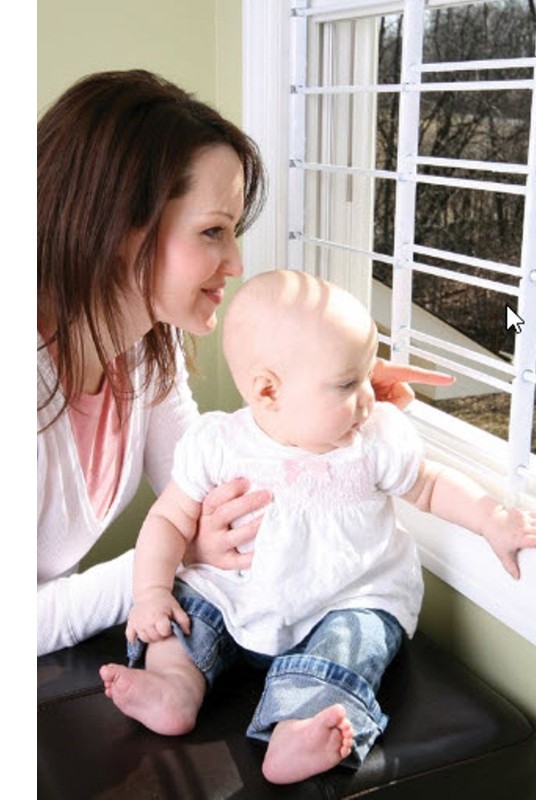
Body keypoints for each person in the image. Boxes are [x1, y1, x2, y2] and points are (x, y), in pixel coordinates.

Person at [37, 69, 455, 657]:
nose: (235, 263)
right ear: (119, 228)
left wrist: (329, 388)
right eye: (213, 231)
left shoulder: (145, 350)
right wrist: (170, 559)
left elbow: (220, 483)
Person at [99, 270, 536, 784]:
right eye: (349, 384)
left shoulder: (373, 441)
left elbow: (429, 485)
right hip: (232, 594)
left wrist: (492, 519)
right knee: (186, 615)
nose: (369, 397)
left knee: (353, 642)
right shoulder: (218, 444)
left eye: (367, 375)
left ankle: (297, 728)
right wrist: (150, 592)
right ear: (268, 391)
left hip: (344, 599)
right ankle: (172, 686)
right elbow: (168, 518)